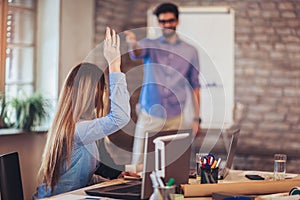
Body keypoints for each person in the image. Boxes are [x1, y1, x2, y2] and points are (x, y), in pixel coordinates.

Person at [34, 27, 131, 198]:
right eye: (103, 89)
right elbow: (120, 117)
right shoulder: (80, 130)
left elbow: (79, 178)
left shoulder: (76, 128)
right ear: (92, 93)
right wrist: (114, 66)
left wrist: (111, 182)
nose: (104, 94)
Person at [125, 2, 201, 165]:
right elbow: (136, 52)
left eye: (170, 21)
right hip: (150, 115)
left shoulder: (190, 51)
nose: (167, 25)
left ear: (177, 21)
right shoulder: (150, 44)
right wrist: (132, 43)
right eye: (163, 22)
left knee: (174, 164)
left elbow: (195, 85)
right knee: (139, 163)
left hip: (177, 117)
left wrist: (196, 119)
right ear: (158, 22)